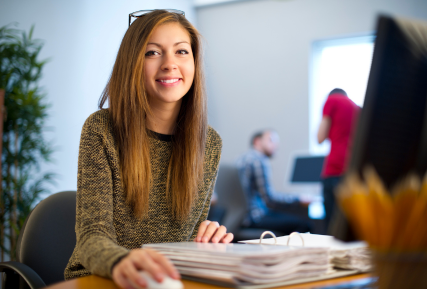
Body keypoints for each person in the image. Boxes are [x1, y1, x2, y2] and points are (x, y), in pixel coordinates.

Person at [64, 9, 233, 289]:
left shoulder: (209, 143)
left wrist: (205, 244)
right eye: (153, 53)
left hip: (165, 282)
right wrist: (123, 261)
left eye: (181, 52)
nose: (170, 64)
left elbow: (185, 239)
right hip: (103, 279)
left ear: (194, 62)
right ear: (133, 63)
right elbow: (92, 235)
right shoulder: (102, 129)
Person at [236, 130, 312, 235]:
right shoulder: (258, 160)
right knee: (305, 224)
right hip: (255, 218)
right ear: (257, 141)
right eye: (271, 140)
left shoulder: (241, 159)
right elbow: (270, 199)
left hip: (239, 218)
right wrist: (298, 199)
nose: (275, 145)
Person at [317, 88, 360, 231]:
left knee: (331, 225)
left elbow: (319, 137)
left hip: (334, 169)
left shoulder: (332, 100)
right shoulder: (357, 108)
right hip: (352, 169)